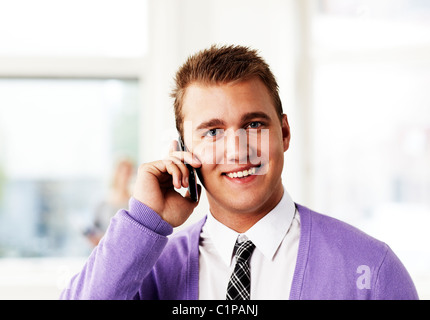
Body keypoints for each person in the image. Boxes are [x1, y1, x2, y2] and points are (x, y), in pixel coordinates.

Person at [61, 45, 418, 300]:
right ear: (184, 152)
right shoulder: (149, 271)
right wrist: (144, 222)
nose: (237, 150)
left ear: (285, 133)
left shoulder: (370, 270)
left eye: (254, 124)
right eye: (212, 132)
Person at [84, 158, 134, 246]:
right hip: (104, 250)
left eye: (128, 172)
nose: (125, 176)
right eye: (121, 172)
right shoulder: (101, 202)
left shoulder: (134, 202)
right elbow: (92, 228)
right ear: (114, 173)